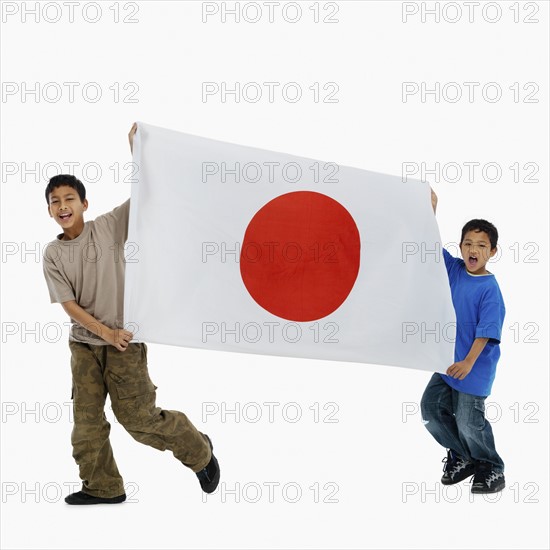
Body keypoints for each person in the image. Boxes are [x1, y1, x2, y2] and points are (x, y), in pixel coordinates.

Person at [42, 123, 220, 505]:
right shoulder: (53, 254)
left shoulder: (108, 227)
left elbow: (147, 195)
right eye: (55, 201)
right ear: (50, 210)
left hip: (125, 343)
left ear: (84, 205)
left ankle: (200, 451)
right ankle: (103, 488)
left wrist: (137, 152)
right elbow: (69, 305)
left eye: (69, 198)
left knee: (138, 420)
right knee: (86, 425)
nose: (63, 206)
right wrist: (101, 333)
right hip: (86, 346)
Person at [420, 188, 506, 494]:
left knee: (471, 423)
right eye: (468, 243)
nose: (473, 249)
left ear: (492, 252)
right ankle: (463, 456)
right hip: (448, 362)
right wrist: (430, 210)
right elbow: (430, 246)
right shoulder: (455, 270)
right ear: (460, 246)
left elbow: (487, 330)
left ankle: (491, 466)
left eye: (481, 245)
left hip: (472, 369)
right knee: (430, 409)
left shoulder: (489, 289)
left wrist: (469, 362)